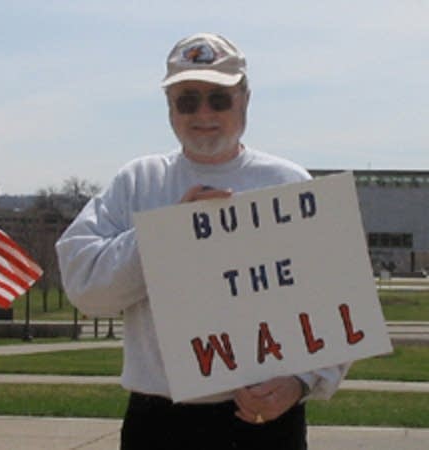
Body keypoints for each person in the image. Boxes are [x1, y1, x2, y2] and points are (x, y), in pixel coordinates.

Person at [55, 33, 349, 449]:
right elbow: (86, 290)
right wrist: (166, 237)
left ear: (244, 100)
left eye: (219, 98)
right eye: (187, 100)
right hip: (160, 422)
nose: (203, 113)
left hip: (265, 419)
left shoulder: (288, 184)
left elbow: (338, 304)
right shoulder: (137, 182)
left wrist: (301, 382)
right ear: (170, 107)